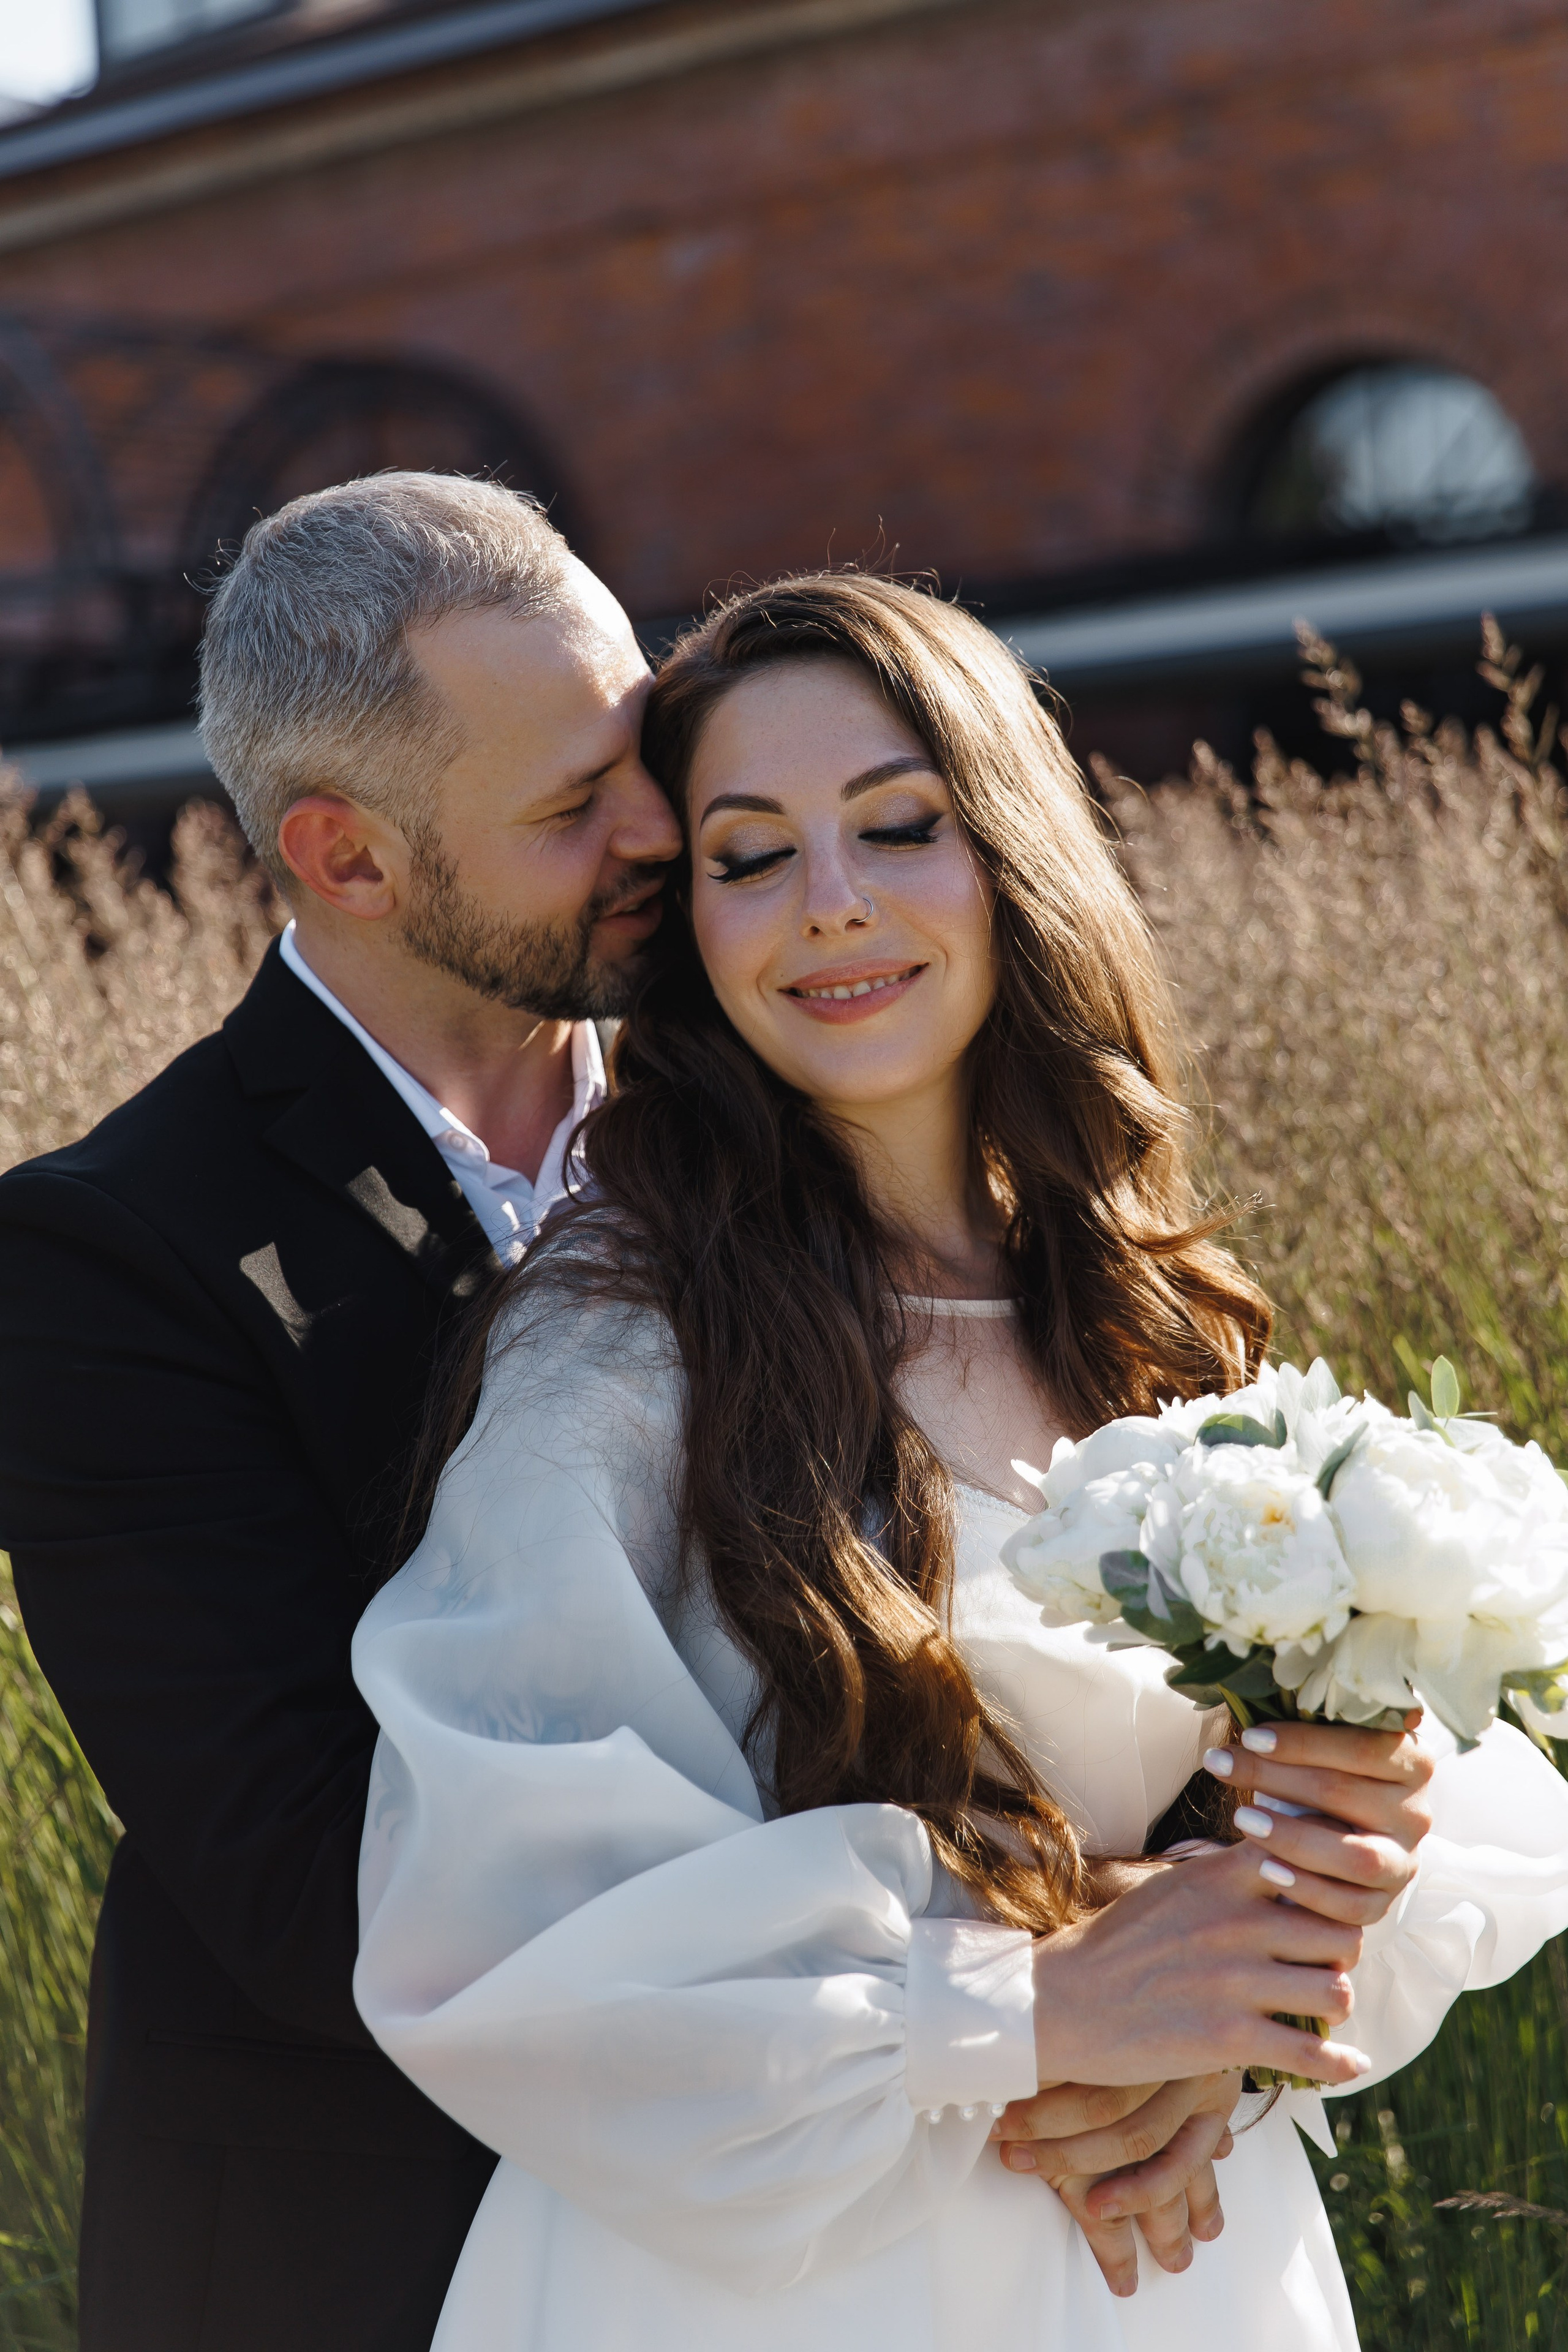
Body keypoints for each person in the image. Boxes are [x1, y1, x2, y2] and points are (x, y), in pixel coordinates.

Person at [353, 572, 1568, 2350]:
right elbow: (495, 1927)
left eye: (897, 826)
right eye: (749, 855)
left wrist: (1272, 1962)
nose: (829, 906)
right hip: (787, 2283)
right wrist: (1030, 2007)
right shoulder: (617, 1341)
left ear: (1011, 849)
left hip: (1171, 2253)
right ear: (688, 921)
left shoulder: (1154, 1314)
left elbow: (1394, 1793)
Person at [0, 472, 682, 2351]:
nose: (659, 831)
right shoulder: (106, 1255)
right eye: (570, 810)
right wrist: (927, 1968)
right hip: (373, 2246)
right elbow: (318, 1883)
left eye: (651, 752)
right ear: (349, 856)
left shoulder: (790, 1085)